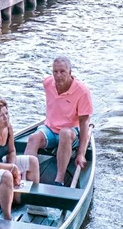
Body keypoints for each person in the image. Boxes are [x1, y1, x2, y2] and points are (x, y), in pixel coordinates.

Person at [25, 56, 93, 186]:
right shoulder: (47, 83)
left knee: (64, 133)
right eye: (55, 72)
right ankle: (28, 181)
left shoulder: (82, 92)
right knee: (33, 138)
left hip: (71, 131)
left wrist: (81, 154)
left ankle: (59, 180)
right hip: (50, 129)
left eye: (62, 71)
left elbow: (84, 124)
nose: (58, 75)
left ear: (70, 73)